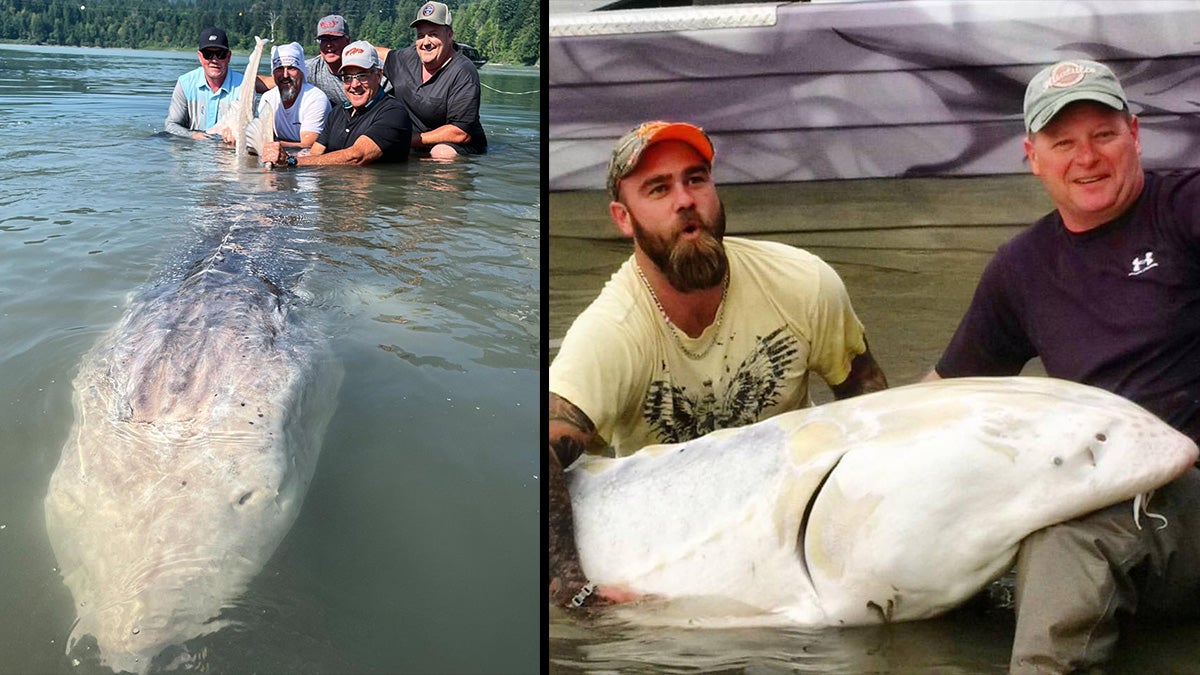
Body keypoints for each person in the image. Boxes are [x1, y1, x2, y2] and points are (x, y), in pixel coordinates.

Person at [926, 59, 1200, 672]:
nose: (1087, 158)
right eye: (1063, 142)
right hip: (1098, 492)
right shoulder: (1020, 269)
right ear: (1032, 155)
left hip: (1178, 491)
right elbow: (940, 396)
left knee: (1072, 531)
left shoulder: (1184, 209)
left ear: (1135, 133)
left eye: (1103, 135)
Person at [547, 121, 888, 607]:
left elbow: (868, 401)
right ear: (623, 218)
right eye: (659, 189)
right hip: (669, 543)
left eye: (696, 179)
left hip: (785, 518)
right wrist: (566, 585)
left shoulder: (804, 283)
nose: (685, 200)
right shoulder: (610, 333)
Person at [261, 41, 411, 168]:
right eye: (347, 77)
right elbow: (314, 153)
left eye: (362, 76)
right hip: (337, 196)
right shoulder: (338, 113)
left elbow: (357, 156)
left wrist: (291, 161)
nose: (354, 84)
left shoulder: (393, 113)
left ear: (378, 76)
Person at [378, 2, 487, 157]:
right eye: (421, 35)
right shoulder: (407, 57)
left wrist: (405, 140)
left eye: (433, 34)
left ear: (449, 36)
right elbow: (382, 54)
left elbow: (460, 133)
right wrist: (349, 52)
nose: (426, 42)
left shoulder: (463, 72)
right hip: (412, 142)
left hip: (457, 146)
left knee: (441, 153)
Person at [164, 27, 247, 139]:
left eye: (220, 54)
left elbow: (248, 128)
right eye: (208, 54)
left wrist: (237, 134)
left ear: (228, 57)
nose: (214, 60)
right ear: (200, 57)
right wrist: (193, 136)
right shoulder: (184, 83)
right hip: (193, 149)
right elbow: (171, 126)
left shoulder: (244, 86)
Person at [256, 42, 330, 149]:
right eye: (280, 69)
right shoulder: (267, 99)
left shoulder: (316, 99)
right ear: (273, 73)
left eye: (291, 68)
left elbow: (308, 145)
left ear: (301, 72)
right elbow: (265, 136)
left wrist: (269, 145)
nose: (285, 75)